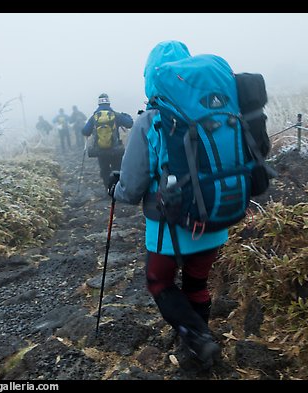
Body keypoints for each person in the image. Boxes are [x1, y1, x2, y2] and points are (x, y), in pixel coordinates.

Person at [107, 41, 224, 368]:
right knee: (196, 283)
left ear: (151, 76)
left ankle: (198, 339)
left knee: (159, 281)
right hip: (215, 221)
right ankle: (199, 340)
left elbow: (131, 190)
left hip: (169, 228)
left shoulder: (151, 120)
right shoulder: (214, 111)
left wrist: (114, 189)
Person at [82, 94, 133, 191]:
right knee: (117, 169)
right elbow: (129, 123)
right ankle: (117, 189)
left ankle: (108, 189)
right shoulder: (115, 115)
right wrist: (126, 115)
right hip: (115, 149)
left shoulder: (94, 117)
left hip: (100, 150)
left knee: (104, 170)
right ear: (108, 102)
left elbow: (85, 131)